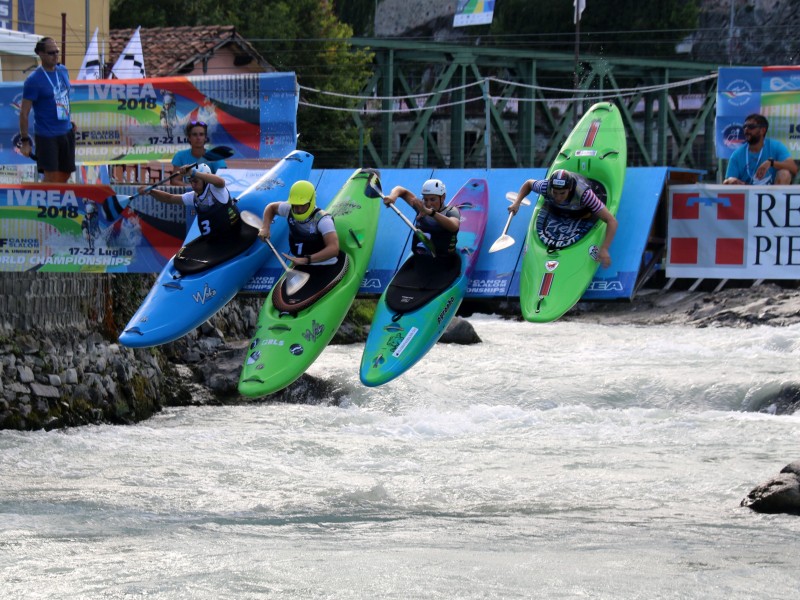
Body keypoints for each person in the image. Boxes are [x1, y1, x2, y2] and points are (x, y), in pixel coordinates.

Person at [508, 169, 618, 268]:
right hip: (559, 210)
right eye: (555, 192)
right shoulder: (545, 186)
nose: (558, 197)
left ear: (570, 189)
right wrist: (517, 202)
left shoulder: (585, 195)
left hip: (582, 212)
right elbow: (528, 183)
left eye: (562, 193)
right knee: (553, 205)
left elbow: (612, 221)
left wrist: (604, 248)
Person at [18, 37, 76, 183]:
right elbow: (24, 113)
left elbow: (63, 97)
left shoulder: (63, 71)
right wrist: (25, 141)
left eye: (57, 51)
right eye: (51, 53)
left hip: (66, 131)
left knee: (65, 175)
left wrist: (69, 121)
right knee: (52, 178)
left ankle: (47, 195)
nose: (55, 55)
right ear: (41, 54)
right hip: (47, 135)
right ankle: (42, 197)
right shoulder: (33, 80)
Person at [141, 163, 240, 241]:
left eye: (195, 181)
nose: (192, 185)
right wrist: (151, 191)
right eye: (191, 181)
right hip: (214, 240)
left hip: (233, 234)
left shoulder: (216, 189)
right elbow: (169, 198)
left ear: (205, 180)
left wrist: (193, 173)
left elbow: (221, 181)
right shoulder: (193, 196)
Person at [257, 180, 339, 266]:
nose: (299, 210)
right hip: (301, 262)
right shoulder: (289, 208)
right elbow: (271, 207)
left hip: (326, 264)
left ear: (311, 201)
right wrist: (265, 227)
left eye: (303, 205)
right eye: (295, 205)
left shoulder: (324, 220)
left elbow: (334, 249)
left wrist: (306, 260)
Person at [382, 179, 460, 257]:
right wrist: (392, 197)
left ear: (443, 197)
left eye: (432, 199)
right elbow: (401, 190)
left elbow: (454, 226)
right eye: (425, 199)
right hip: (420, 258)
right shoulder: (421, 206)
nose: (428, 204)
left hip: (445, 261)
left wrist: (430, 212)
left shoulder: (451, 211)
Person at [723, 113, 797, 185]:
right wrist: (733, 181)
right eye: (744, 127)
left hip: (772, 191)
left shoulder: (776, 146)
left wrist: (771, 163)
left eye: (751, 127)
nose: (746, 129)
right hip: (746, 191)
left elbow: (794, 168)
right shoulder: (737, 154)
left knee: (784, 173)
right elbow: (728, 179)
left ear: (763, 130)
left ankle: (778, 194)